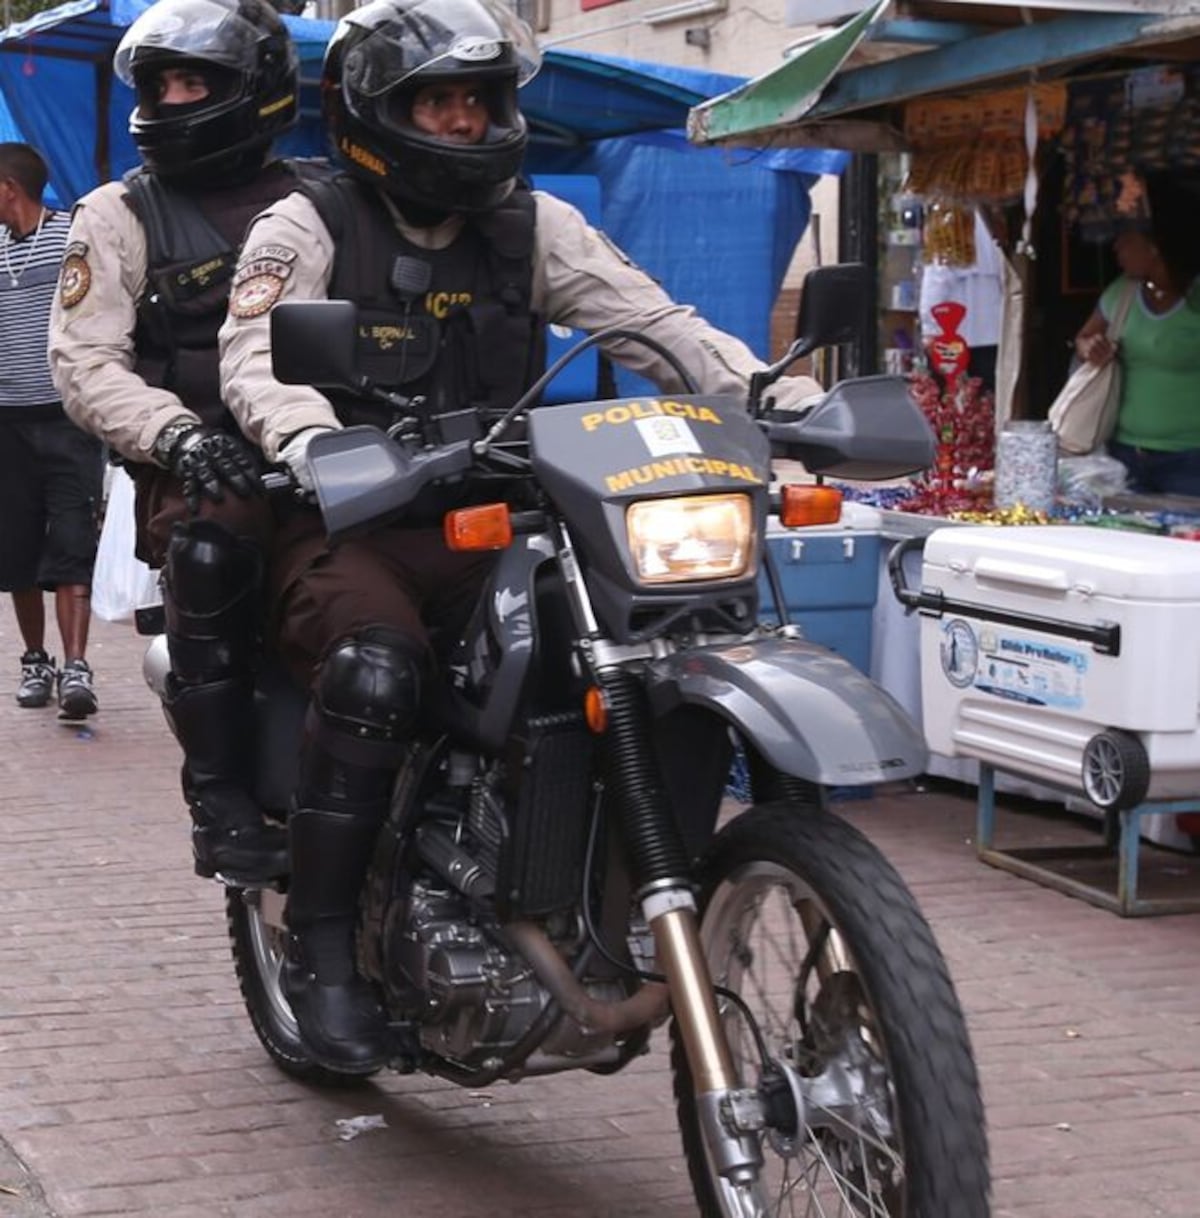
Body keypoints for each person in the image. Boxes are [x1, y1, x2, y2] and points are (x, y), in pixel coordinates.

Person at [218, 0, 822, 1073]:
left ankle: (588, 880)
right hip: (356, 524)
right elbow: (256, 355)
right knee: (375, 667)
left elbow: (654, 324)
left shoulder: (529, 224)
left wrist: (779, 397)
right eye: (436, 102)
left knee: (637, 645)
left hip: (504, 519)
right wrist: (313, 440)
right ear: (372, 113)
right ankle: (323, 945)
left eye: (478, 99)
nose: (463, 122)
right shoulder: (306, 222)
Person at [48, 0, 321, 883]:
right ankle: (220, 793)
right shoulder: (118, 213)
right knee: (215, 542)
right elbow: (85, 363)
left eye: (192, 82)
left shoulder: (323, 198)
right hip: (201, 468)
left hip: (334, 455)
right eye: (159, 84)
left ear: (258, 89)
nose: (169, 101)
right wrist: (178, 436)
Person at [0, 143, 103, 721]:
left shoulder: (71, 240)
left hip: (67, 421)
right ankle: (35, 661)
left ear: (9, 188)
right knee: (15, 546)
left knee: (71, 540)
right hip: (6, 423)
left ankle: (77, 666)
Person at [1072, 171, 1200, 496]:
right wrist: (1090, 348)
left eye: (1126, 239)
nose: (1117, 247)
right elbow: (1083, 339)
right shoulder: (1122, 292)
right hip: (1125, 455)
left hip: (1190, 459)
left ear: (1153, 248)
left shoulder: (1195, 298)